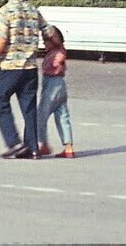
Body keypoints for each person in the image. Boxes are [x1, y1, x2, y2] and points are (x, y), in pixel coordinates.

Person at [0, 0, 60, 159]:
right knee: (28, 107)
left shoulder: (6, 11)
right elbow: (50, 33)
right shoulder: (33, 10)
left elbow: (2, 39)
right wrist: (57, 48)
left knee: (0, 101)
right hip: (30, 67)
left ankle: (14, 143)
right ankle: (33, 147)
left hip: (10, 66)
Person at [38, 28, 76, 158]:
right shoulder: (52, 52)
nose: (44, 44)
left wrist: (46, 29)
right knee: (62, 116)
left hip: (52, 84)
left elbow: (56, 40)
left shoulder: (59, 50)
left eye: (45, 41)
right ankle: (68, 147)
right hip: (59, 84)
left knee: (41, 116)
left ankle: (43, 144)